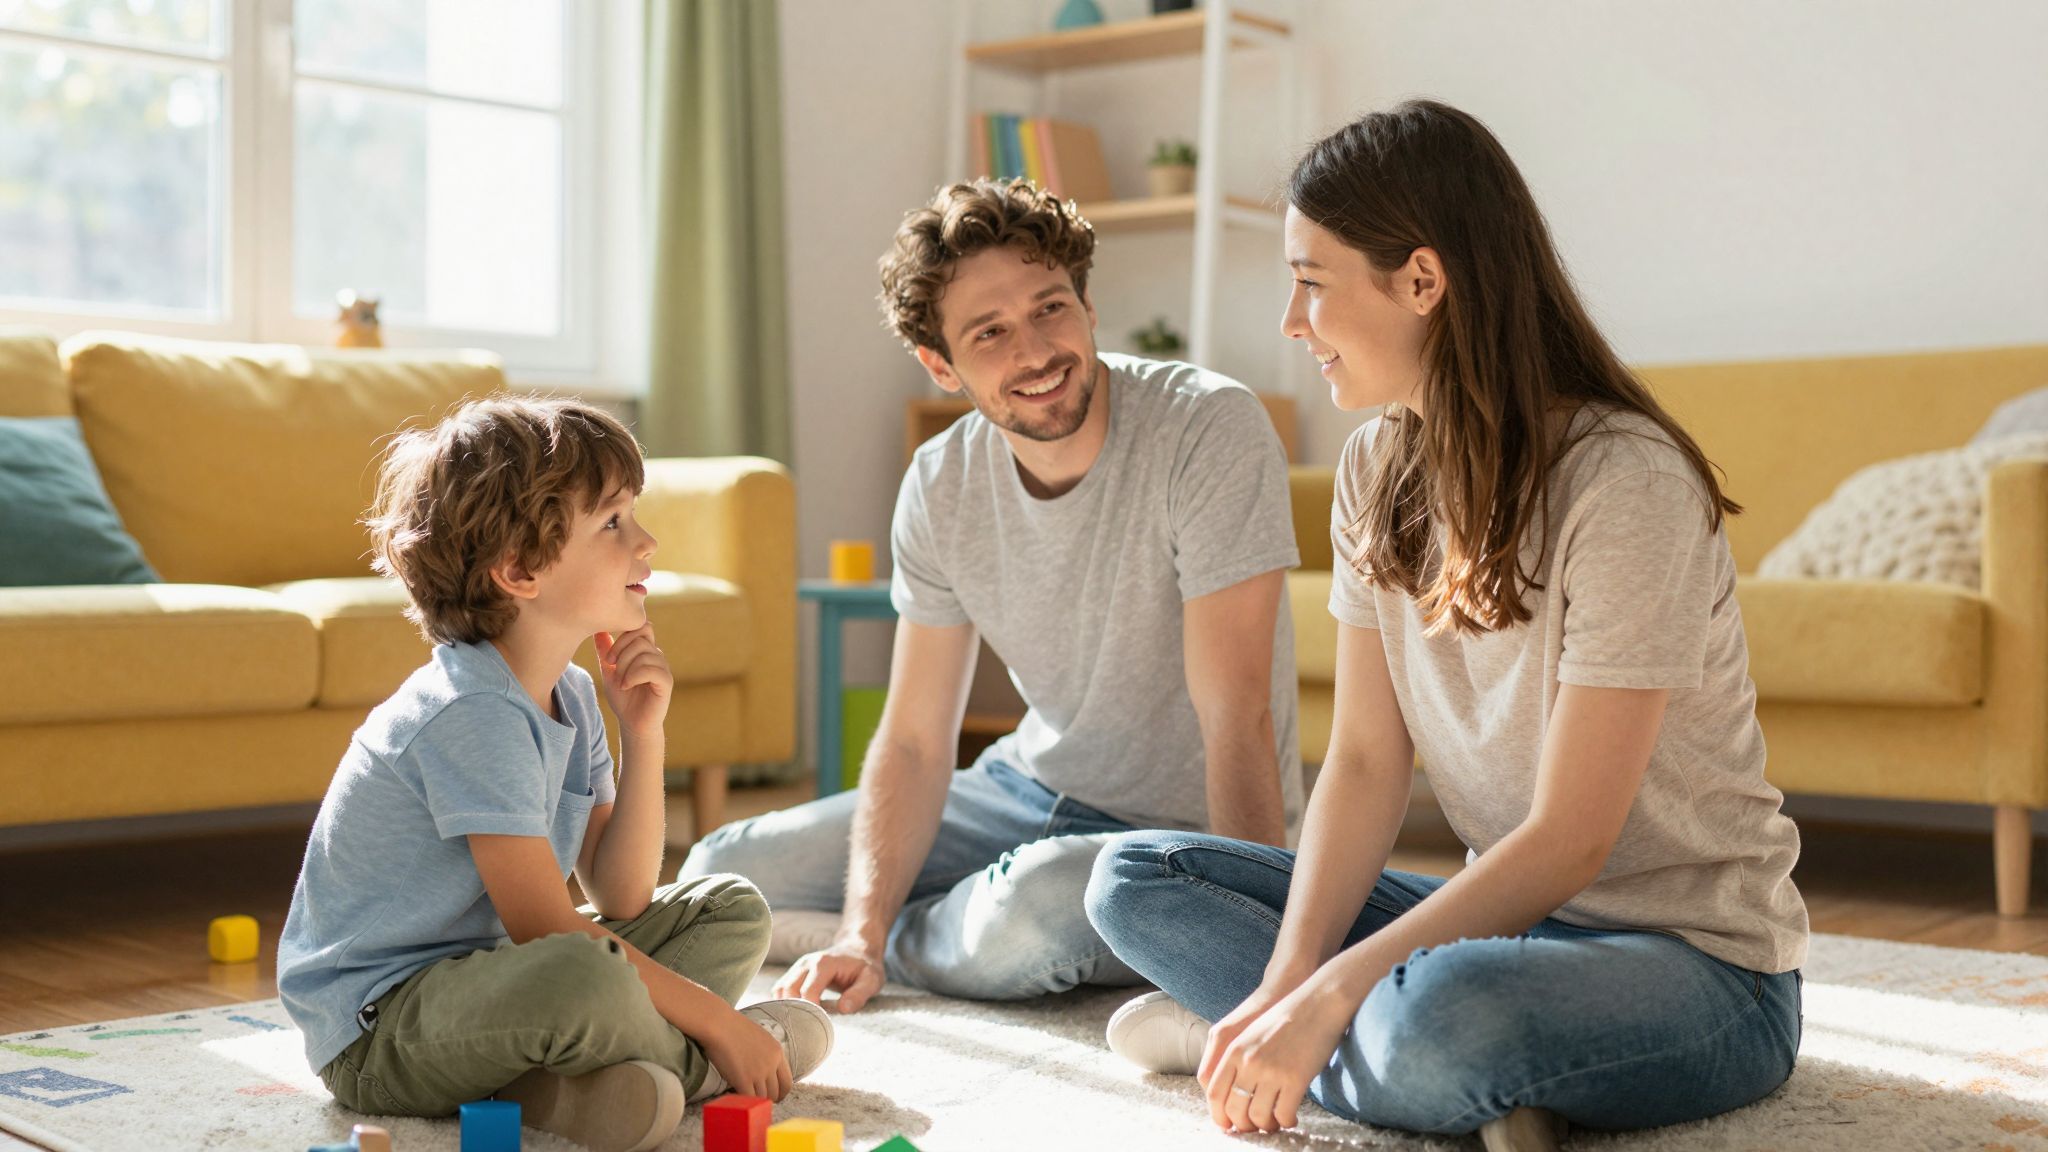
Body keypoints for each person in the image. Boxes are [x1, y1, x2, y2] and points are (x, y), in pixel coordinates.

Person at [1085, 100, 1807, 1152]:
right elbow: (1368, 763)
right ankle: (1382, 1061)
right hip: (1504, 925)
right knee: (1136, 878)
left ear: (1421, 282)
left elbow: (1571, 838)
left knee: (1445, 1015)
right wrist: (1292, 980)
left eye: (1310, 281)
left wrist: (1337, 993)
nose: (1290, 322)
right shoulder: (1376, 468)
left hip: (1696, 968)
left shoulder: (1625, 483)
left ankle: (1298, 1047)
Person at [679, 177, 1304, 1014]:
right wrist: (859, 926)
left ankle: (911, 937)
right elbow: (913, 738)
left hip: (1170, 829)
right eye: (990, 333)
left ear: (1086, 302)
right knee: (721, 867)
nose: (1036, 353)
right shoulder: (941, 483)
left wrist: (1244, 927)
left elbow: (1238, 711)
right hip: (1022, 791)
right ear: (942, 364)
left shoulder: (1209, 427)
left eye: (1051, 309)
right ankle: (891, 933)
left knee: (1041, 908)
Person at [276, 398, 833, 1152]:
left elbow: (621, 893)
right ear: (519, 570)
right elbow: (546, 928)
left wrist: (644, 734)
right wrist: (719, 1020)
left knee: (728, 908)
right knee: (584, 974)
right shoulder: (472, 711)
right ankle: (705, 1066)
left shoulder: (568, 692)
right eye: (613, 524)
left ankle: (560, 1087)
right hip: (379, 1033)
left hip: (492, 985)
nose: (647, 541)